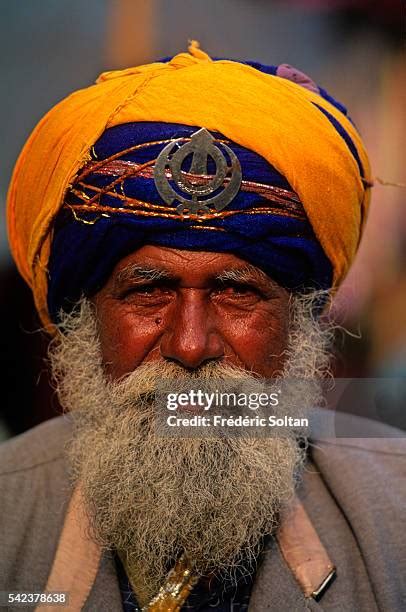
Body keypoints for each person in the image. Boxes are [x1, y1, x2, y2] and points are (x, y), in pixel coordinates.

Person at [1, 42, 405, 611]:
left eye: (237, 293)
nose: (191, 345)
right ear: (85, 318)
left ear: (301, 321)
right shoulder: (9, 513)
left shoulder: (395, 513)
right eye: (148, 292)